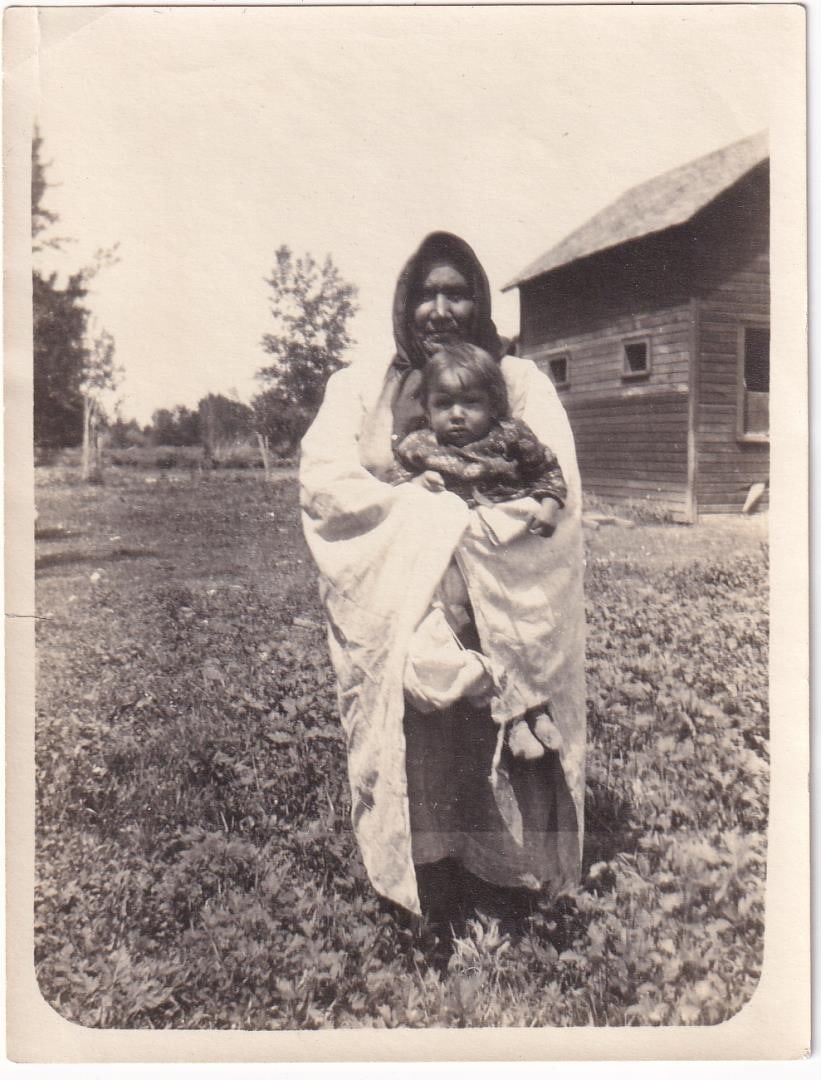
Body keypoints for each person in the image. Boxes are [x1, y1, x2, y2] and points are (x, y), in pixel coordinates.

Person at [300, 232, 585, 940]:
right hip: (405, 598)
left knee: (501, 720)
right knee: (417, 729)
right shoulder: (361, 386)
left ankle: (513, 880)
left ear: (479, 301)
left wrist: (468, 528)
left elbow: (558, 487)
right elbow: (327, 486)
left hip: (500, 590)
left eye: (456, 293)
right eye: (426, 294)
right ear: (405, 302)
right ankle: (425, 879)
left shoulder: (519, 383)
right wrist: (418, 517)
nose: (441, 309)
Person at [390, 341, 569, 761]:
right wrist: (416, 483)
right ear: (427, 407)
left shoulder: (510, 436)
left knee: (527, 623)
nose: (456, 414)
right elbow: (394, 481)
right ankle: (511, 719)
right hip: (461, 555)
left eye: (470, 402)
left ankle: (539, 706)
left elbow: (547, 470)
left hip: (509, 547)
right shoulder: (420, 445)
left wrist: (548, 505)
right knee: (483, 631)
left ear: (493, 403)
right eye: (444, 404)